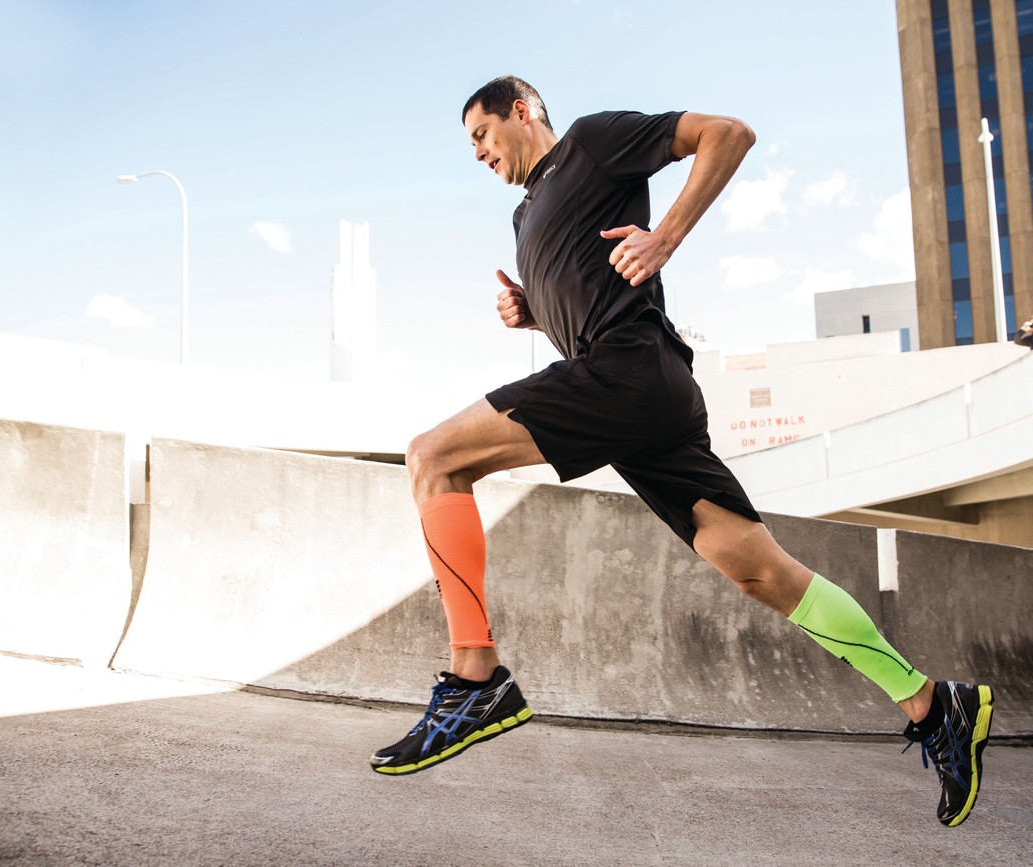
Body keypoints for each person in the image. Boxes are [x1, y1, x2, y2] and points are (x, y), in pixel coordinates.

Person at [368, 75, 995, 828]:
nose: (476, 153)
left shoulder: (593, 144)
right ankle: (934, 704)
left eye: (480, 134)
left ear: (523, 110)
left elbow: (727, 133)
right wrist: (534, 317)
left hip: (629, 374)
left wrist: (664, 236)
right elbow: (590, 303)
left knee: (435, 457)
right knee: (763, 572)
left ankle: (476, 677)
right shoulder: (527, 211)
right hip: (644, 395)